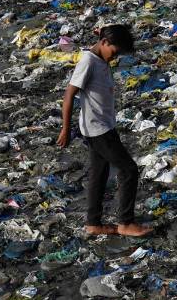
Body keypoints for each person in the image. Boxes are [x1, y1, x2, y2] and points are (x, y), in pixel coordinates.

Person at [57, 25, 152, 237]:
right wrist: (65, 128)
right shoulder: (88, 62)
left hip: (102, 126)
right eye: (114, 52)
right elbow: (69, 94)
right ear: (105, 43)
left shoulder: (99, 57)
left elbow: (104, 42)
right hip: (98, 130)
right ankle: (126, 222)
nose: (114, 57)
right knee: (129, 170)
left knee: (99, 174)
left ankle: (93, 224)